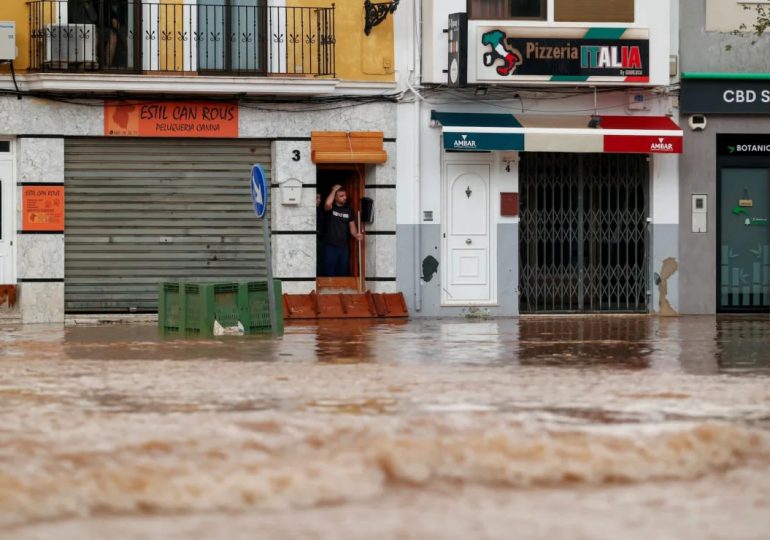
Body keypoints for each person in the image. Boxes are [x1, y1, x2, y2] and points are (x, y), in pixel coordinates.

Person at [322, 184, 363, 277]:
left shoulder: (348, 210)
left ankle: (341, 291)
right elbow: (327, 204)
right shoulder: (331, 208)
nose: (345, 197)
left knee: (342, 271)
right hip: (330, 245)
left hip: (343, 246)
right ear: (335, 197)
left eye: (345, 195)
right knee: (329, 271)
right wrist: (333, 191)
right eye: (341, 196)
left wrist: (356, 234)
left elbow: (352, 226)